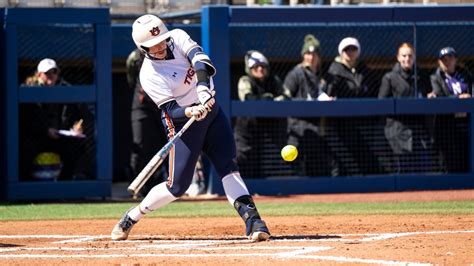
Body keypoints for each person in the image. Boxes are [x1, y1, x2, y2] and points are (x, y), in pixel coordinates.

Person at [111, 14, 270, 242]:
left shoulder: (177, 37)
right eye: (152, 46)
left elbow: (200, 59)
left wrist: (203, 88)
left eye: (161, 41)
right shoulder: (149, 74)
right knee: (177, 187)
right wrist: (189, 111)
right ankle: (132, 216)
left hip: (212, 111)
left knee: (228, 166)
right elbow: (170, 109)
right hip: (183, 124)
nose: (160, 47)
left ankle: (253, 221)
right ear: (142, 49)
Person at [19, 58, 95, 180]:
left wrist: (77, 126)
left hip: (60, 137)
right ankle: (26, 189)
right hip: (36, 137)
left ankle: (64, 186)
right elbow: (26, 120)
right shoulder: (28, 90)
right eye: (47, 73)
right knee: (25, 149)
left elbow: (80, 114)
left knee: (75, 148)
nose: (51, 76)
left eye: (54, 72)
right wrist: (45, 130)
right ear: (39, 74)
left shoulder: (67, 89)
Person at [283, 34, 340, 177]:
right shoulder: (295, 74)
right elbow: (285, 98)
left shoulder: (324, 77)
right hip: (298, 129)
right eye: (308, 54)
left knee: (325, 167)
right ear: (303, 55)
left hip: (317, 129)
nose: (311, 57)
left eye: (314, 54)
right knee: (297, 168)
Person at [326, 37, 381, 175]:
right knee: (343, 159)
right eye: (346, 50)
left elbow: (376, 93)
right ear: (341, 52)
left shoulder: (366, 71)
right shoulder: (333, 71)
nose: (350, 52)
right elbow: (328, 94)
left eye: (353, 49)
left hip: (364, 123)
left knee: (365, 158)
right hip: (341, 124)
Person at [378, 43, 433, 173]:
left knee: (423, 170)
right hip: (397, 132)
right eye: (404, 56)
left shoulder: (422, 76)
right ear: (398, 57)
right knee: (402, 171)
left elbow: (429, 94)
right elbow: (381, 102)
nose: (407, 59)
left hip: (419, 131)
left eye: (410, 55)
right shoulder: (389, 77)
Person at [234, 50, 289, 178]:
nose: (260, 69)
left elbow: (286, 96)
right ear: (250, 68)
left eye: (263, 66)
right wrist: (263, 99)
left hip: (267, 130)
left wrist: (274, 100)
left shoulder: (274, 80)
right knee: (242, 157)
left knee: (267, 162)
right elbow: (247, 98)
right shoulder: (245, 80)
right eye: (256, 67)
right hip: (246, 129)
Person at [126, 48, 168, 194]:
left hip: (165, 103)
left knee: (169, 144)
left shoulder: (168, 52)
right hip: (142, 104)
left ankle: (171, 186)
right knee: (140, 145)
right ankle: (136, 188)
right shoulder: (135, 56)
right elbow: (130, 77)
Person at [429, 47, 472, 173]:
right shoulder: (436, 77)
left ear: (455, 60)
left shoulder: (465, 75)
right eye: (444, 60)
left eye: (450, 58)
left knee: (466, 156)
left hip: (466, 122)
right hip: (447, 124)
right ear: (439, 62)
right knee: (449, 160)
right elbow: (440, 95)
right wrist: (460, 98)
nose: (447, 62)